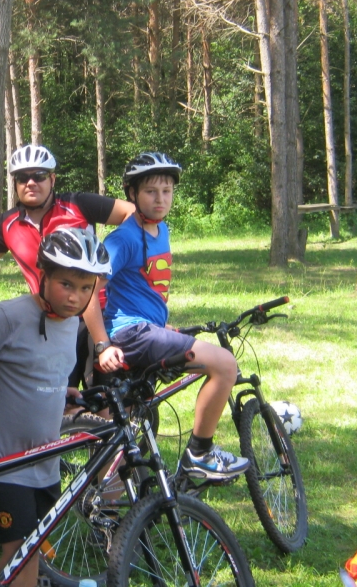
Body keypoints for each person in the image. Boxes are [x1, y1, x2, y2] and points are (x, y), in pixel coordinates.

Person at [0, 228, 111, 587]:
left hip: (44, 459)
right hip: (2, 461)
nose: (75, 296)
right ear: (43, 275)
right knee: (21, 553)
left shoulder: (71, 323)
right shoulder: (9, 317)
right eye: (66, 284)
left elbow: (42, 366)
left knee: (30, 550)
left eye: (85, 287)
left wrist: (60, 391)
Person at [94, 152, 249, 481]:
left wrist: (160, 326)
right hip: (131, 334)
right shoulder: (122, 239)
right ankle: (200, 453)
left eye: (167, 191)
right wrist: (102, 345)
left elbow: (141, 287)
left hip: (145, 329)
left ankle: (106, 507)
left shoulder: (160, 229)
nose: (160, 199)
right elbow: (88, 292)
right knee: (225, 364)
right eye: (151, 191)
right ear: (132, 194)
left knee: (121, 432)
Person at [0, 144, 134, 386]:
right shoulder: (8, 224)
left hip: (99, 313)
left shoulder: (78, 205)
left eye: (39, 175)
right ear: (15, 184)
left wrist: (108, 260)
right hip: (52, 321)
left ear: (52, 179)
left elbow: (131, 214)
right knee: (59, 396)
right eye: (22, 177)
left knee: (106, 398)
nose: (30, 183)